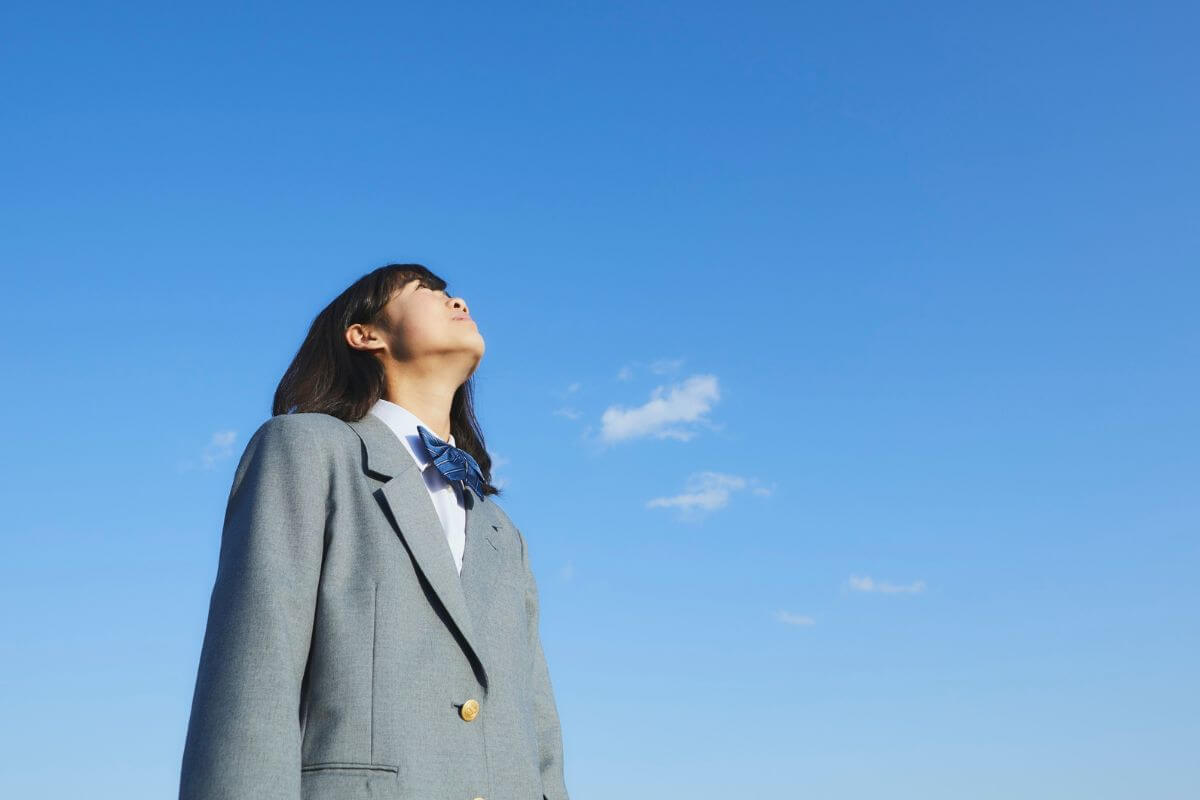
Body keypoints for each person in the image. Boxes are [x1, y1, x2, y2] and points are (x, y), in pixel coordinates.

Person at [178, 263, 570, 800]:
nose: (457, 302)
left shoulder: (502, 530)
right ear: (366, 335)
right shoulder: (308, 449)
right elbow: (251, 680)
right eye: (429, 291)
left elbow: (539, 728)